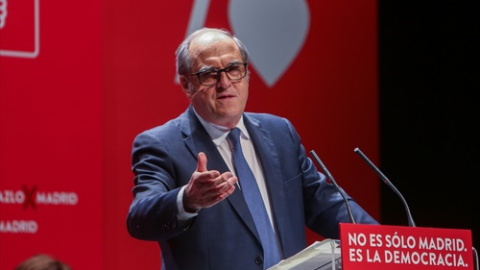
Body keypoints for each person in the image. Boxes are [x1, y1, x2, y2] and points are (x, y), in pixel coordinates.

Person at [126, 27, 378, 270]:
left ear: (246, 75)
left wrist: (386, 243)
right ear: (186, 85)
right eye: (210, 74)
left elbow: (325, 203)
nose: (225, 83)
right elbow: (140, 219)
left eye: (234, 69)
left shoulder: (280, 133)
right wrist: (187, 200)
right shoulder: (161, 144)